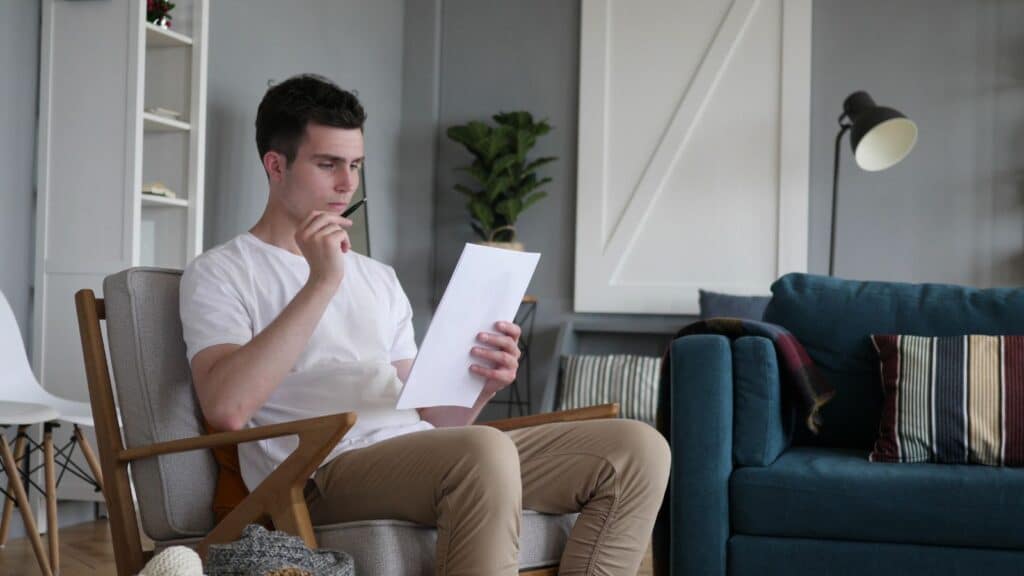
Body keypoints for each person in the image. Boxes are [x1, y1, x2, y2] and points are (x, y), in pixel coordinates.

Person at [180, 73, 670, 575]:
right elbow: (227, 408)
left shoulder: (378, 278)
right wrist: (321, 283)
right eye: (328, 164)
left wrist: (482, 384)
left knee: (636, 450)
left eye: (355, 165)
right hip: (319, 473)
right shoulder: (222, 271)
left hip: (415, 450)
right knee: (482, 452)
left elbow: (436, 421)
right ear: (276, 165)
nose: (347, 183)